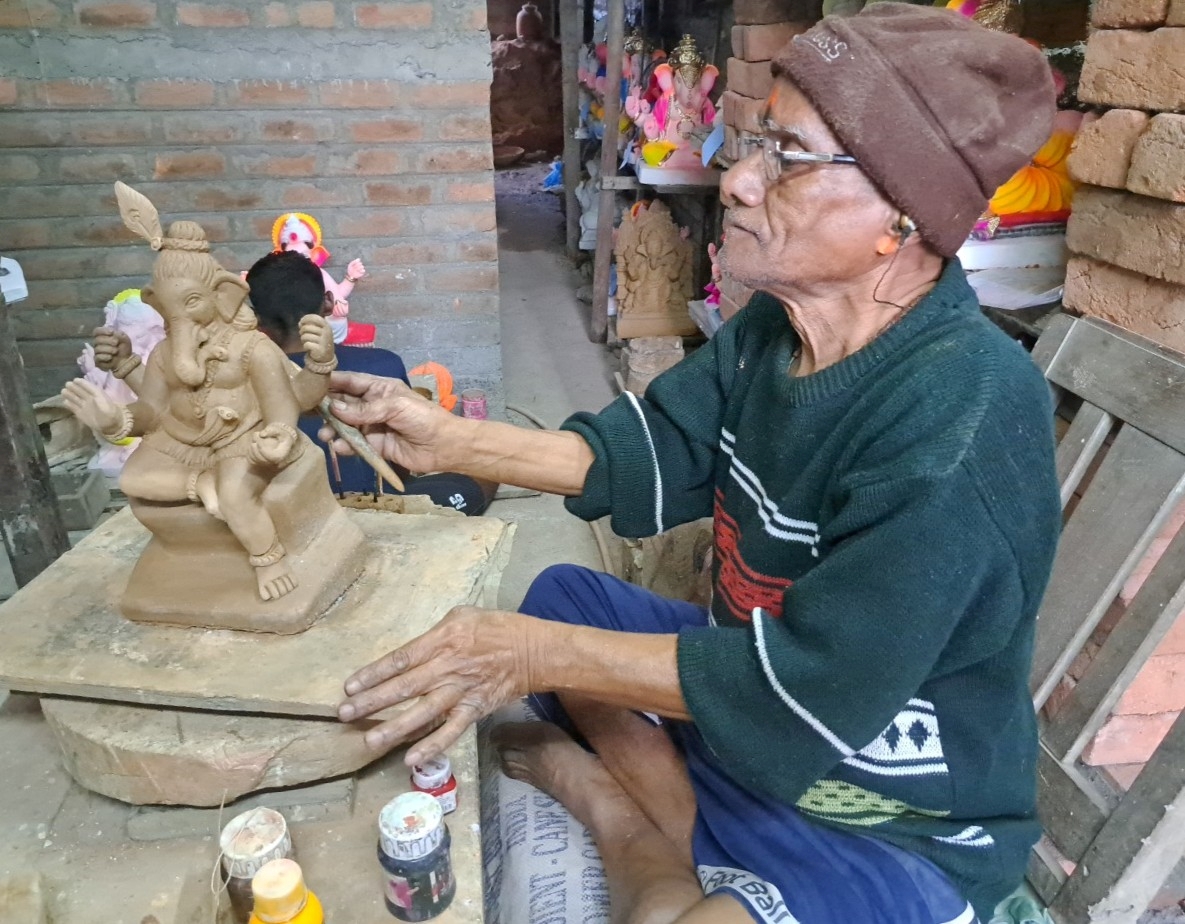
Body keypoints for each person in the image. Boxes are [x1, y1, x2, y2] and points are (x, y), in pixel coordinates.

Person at [325, 7, 1062, 924]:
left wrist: (530, 658)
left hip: (883, 811)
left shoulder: (963, 414)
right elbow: (656, 448)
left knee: (539, 647)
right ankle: (684, 834)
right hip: (744, 715)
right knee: (561, 597)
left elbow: (806, 687)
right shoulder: (777, 327)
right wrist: (445, 438)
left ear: (901, 218)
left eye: (786, 158)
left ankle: (624, 819)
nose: (738, 179)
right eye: (753, 141)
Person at [245, 251, 493, 516]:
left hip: (287, 515)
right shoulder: (382, 365)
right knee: (488, 467)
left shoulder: (241, 382)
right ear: (329, 302)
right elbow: (401, 468)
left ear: (256, 321)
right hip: (382, 508)